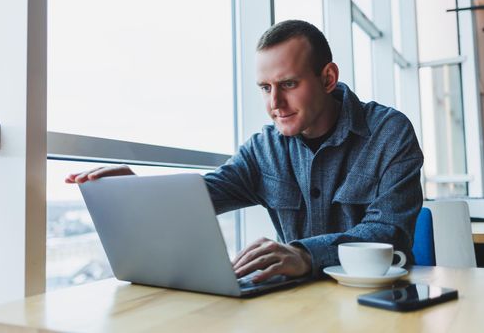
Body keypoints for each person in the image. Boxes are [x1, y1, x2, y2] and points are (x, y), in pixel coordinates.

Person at [66, 20, 423, 284]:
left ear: (328, 78)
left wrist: (302, 254)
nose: (274, 104)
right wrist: (139, 193)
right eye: (265, 88)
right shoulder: (263, 148)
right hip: (299, 301)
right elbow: (202, 196)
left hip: (379, 299)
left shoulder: (390, 132)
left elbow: (388, 231)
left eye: (288, 84)